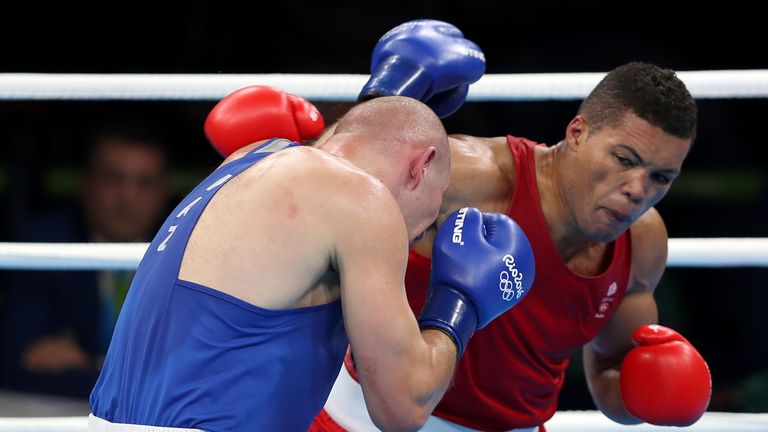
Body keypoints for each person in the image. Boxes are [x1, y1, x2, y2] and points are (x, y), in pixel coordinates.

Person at [311, 20, 712, 431]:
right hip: (367, 420)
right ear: (577, 133)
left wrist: (647, 395)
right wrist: (386, 95)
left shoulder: (643, 240)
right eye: (624, 159)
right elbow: (315, 180)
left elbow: (611, 373)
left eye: (661, 177)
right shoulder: (475, 178)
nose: (637, 190)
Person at [88, 94, 536, 431]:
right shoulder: (364, 200)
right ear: (422, 166)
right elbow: (402, 406)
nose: (422, 231)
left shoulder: (254, 155)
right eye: (435, 209)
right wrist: (458, 305)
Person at [0, 122, 169, 398]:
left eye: (144, 182)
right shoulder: (43, 244)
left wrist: (90, 365)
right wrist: (140, 379)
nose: (128, 196)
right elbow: (16, 366)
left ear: (162, 192)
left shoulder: (187, 249)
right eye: (113, 178)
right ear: (86, 183)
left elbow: (201, 373)